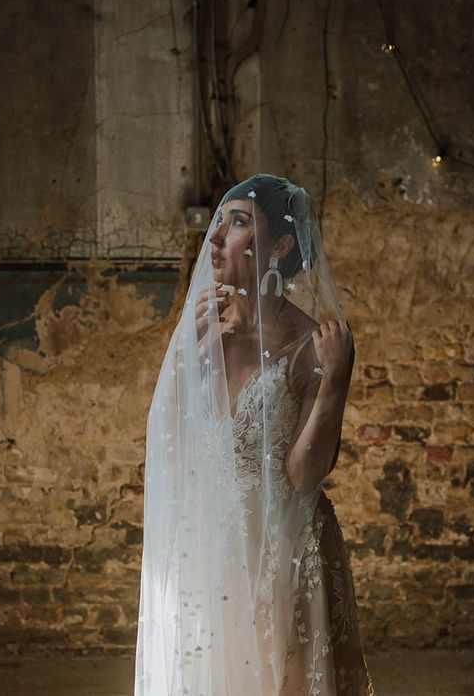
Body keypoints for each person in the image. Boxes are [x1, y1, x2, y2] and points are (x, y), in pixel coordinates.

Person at [134, 174, 375, 695]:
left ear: (281, 245)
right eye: (218, 223)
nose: (216, 238)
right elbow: (168, 445)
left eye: (238, 222)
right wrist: (184, 361)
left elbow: (303, 474)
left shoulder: (311, 342)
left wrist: (334, 380)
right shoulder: (204, 327)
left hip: (278, 547)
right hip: (206, 547)